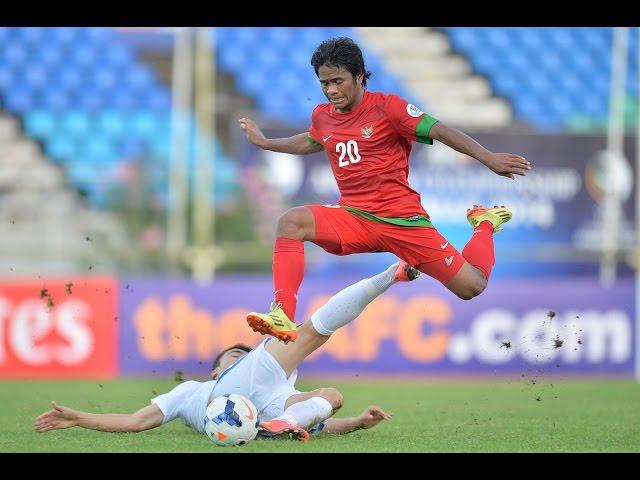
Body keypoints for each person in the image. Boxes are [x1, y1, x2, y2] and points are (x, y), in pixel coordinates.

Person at [238, 36, 530, 344]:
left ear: (359, 75)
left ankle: (485, 222)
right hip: (355, 217)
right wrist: (265, 142)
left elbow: (441, 130)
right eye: (324, 83)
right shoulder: (322, 116)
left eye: (338, 81)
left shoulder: (390, 108)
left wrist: (487, 157)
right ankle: (283, 313)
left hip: (402, 220)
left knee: (472, 287)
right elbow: (313, 140)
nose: (331, 90)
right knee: (290, 222)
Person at [34, 261, 419, 441]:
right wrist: (79, 418)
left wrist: (356, 423)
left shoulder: (281, 386)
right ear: (215, 371)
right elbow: (136, 421)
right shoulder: (192, 393)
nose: (237, 354)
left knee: (332, 397)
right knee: (310, 335)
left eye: (240, 353)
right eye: (230, 357)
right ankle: (389, 276)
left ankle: (276, 430)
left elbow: (320, 422)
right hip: (234, 395)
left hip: (272, 406)